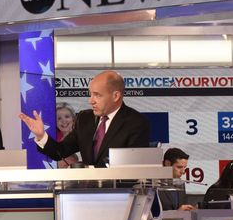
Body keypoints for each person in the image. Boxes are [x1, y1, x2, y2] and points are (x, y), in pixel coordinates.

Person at [19, 70, 150, 167]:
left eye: (97, 95)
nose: (91, 101)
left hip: (121, 195)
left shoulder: (136, 123)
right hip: (86, 193)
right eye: (90, 94)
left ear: (116, 96)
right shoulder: (84, 119)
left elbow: (136, 169)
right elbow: (60, 151)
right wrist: (41, 136)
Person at [54, 102, 79, 168]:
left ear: (73, 119)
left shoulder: (82, 135)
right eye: (59, 118)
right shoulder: (52, 139)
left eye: (67, 117)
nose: (63, 121)